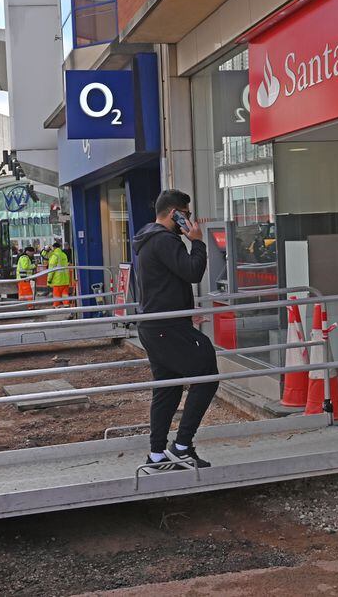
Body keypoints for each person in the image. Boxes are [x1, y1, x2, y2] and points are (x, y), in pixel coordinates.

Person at [132, 189, 218, 470]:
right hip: (166, 325)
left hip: (156, 324)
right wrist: (198, 242)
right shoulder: (166, 240)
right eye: (187, 214)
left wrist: (184, 313)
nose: (190, 221)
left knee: (167, 388)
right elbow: (192, 272)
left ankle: (157, 454)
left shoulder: (147, 239)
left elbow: (164, 282)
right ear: (174, 214)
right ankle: (181, 446)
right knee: (206, 375)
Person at [47, 241, 71, 307]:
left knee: (57, 294)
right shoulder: (63, 255)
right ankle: (66, 305)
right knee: (65, 294)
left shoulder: (54, 256)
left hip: (57, 280)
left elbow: (51, 269)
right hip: (65, 279)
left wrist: (49, 279)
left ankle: (56, 305)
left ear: (54, 247)